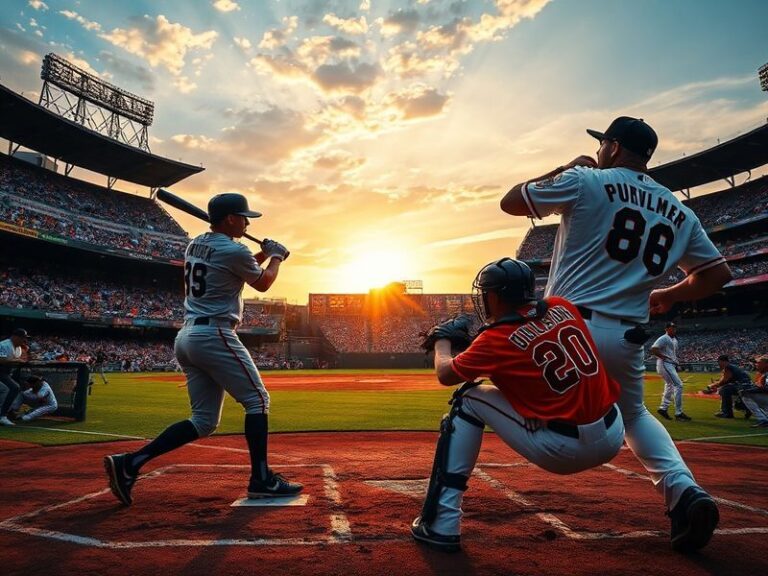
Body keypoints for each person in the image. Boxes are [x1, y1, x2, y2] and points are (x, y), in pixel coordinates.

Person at [501, 116, 732, 552]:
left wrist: (564, 167)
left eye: (602, 143)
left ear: (612, 146)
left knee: (485, 393)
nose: (598, 150)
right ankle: (684, 492)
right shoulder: (679, 210)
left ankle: (443, 510)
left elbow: (511, 202)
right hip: (627, 334)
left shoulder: (585, 179)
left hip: (567, 327)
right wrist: (669, 294)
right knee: (635, 416)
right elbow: (718, 273)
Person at [411, 258, 624, 552]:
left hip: (565, 449)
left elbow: (445, 373)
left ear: (495, 297)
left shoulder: (493, 339)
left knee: (467, 398)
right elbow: (527, 357)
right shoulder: (562, 306)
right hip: (614, 434)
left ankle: (442, 524)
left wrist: (441, 342)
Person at [104, 193, 302, 505]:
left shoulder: (196, 243)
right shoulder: (234, 250)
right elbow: (263, 283)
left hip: (188, 336)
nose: (247, 223)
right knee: (257, 401)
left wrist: (263, 253)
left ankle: (130, 463)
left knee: (204, 420)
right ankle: (262, 479)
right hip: (215, 334)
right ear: (230, 219)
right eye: (243, 217)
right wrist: (276, 257)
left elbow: (236, 266)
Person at [651, 322, 691, 421]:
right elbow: (654, 349)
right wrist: (663, 357)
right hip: (665, 364)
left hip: (670, 364)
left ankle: (663, 409)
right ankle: (678, 413)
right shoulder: (664, 338)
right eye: (671, 327)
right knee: (679, 385)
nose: (674, 329)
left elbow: (672, 354)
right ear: (666, 329)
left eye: (674, 327)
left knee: (670, 385)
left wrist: (676, 362)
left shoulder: (674, 340)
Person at [0, 328, 30, 427]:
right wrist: (17, 360)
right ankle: (2, 416)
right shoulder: (4, 344)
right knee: (13, 387)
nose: (24, 340)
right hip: (2, 372)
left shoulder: (18, 348)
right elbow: (1, 360)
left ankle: (4, 414)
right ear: (15, 337)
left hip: (6, 373)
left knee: (13, 388)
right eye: (22, 338)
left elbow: (15, 361)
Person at [739, 356, 768, 428]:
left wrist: (751, 390)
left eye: (759, 363)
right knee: (744, 392)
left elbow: (766, 388)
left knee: (745, 394)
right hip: (765, 397)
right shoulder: (760, 373)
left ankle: (763, 420)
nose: (756, 364)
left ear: (766, 364)